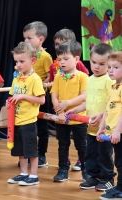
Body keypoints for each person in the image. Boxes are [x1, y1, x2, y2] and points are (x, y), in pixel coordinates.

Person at [67, 43, 115, 190]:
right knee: (91, 154)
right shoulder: (90, 79)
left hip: (105, 128)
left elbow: (111, 103)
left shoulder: (109, 80)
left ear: (109, 64)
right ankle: (94, 177)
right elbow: (88, 101)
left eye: (102, 64)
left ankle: (107, 179)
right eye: (94, 62)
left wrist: (102, 117)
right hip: (91, 127)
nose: (97, 67)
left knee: (104, 155)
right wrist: (75, 110)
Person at [48, 28, 89, 171]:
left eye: (66, 59)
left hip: (78, 117)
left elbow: (84, 96)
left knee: (81, 145)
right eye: (60, 59)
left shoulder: (82, 76)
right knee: (63, 144)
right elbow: (54, 94)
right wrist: (58, 109)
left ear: (77, 59)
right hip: (61, 117)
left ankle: (86, 171)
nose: (62, 62)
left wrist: (67, 104)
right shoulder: (59, 76)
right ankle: (63, 170)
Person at [7, 42, 45, 186]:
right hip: (16, 120)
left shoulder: (35, 79)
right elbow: (12, 96)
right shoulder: (17, 77)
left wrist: (23, 97)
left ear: (32, 61)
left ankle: (34, 175)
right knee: (20, 150)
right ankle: (23, 173)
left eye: (22, 61)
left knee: (31, 150)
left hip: (28, 121)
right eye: (16, 61)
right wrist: (9, 103)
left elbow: (41, 100)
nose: (18, 64)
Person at [23, 21, 52, 167]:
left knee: (41, 127)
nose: (26, 41)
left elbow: (49, 76)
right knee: (28, 127)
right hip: (27, 97)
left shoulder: (46, 56)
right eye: (25, 38)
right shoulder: (25, 55)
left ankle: (42, 155)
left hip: (40, 96)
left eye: (29, 38)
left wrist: (40, 85)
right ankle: (29, 154)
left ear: (41, 39)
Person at [97, 51, 122, 199]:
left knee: (120, 161)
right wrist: (101, 128)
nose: (110, 70)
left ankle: (120, 189)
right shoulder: (113, 87)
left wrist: (118, 131)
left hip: (118, 132)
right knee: (118, 160)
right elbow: (108, 109)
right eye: (109, 67)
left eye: (116, 67)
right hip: (112, 132)